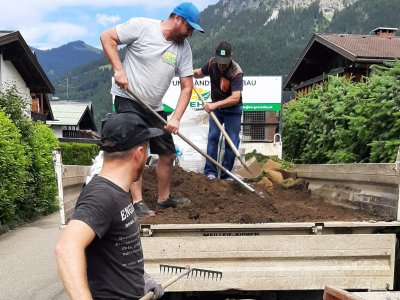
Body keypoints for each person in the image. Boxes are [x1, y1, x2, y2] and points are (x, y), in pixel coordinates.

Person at [100, 2, 204, 217]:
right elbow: (106, 37)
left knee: (167, 153)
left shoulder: (183, 49)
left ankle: (163, 200)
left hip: (154, 107)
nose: (191, 33)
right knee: (137, 149)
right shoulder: (141, 27)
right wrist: (119, 70)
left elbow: (187, 87)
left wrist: (175, 118)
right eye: (189, 28)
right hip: (128, 99)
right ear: (177, 19)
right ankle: (137, 202)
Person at [55, 113, 165, 300]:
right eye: (147, 151)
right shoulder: (102, 195)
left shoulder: (119, 192)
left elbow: (116, 253)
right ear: (139, 154)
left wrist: (141, 280)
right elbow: (66, 248)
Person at [193, 41, 244, 180]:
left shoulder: (236, 71)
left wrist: (215, 105)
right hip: (217, 109)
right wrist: (190, 73)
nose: (221, 65)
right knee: (213, 137)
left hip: (233, 110)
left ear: (231, 57)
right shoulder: (212, 63)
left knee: (231, 141)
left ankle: (226, 174)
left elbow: (235, 97)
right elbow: (200, 73)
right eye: (219, 62)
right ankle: (210, 172)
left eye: (224, 62)